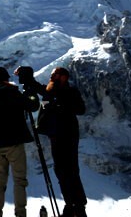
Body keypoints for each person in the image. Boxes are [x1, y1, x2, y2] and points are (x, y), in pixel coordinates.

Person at [17, 66, 88, 217]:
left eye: (54, 75)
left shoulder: (70, 92)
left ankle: (78, 205)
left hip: (67, 134)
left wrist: (62, 104)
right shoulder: (51, 91)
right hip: (56, 135)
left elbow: (81, 109)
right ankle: (71, 204)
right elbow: (40, 89)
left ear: (63, 77)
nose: (51, 77)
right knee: (61, 170)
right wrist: (26, 76)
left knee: (71, 169)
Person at [0, 66, 40, 217]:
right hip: (13, 142)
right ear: (5, 79)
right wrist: (31, 93)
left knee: (0, 181)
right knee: (19, 180)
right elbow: (32, 105)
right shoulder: (11, 93)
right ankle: (20, 213)